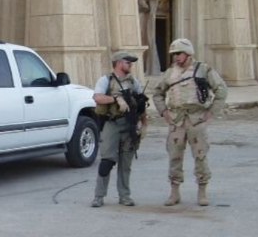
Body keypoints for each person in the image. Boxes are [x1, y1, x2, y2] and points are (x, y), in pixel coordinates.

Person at [151, 38, 228, 206]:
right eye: (173, 54)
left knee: (200, 155)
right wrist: (164, 111)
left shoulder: (203, 69)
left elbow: (221, 89)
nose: (176, 57)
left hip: (196, 119)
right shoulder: (170, 73)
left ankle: (202, 191)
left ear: (188, 53)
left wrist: (211, 111)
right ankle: (174, 192)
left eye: (179, 53)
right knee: (174, 156)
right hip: (177, 120)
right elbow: (157, 92)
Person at [91, 51, 147, 208]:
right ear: (118, 63)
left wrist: (144, 125)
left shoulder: (133, 82)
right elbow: (97, 97)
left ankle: (124, 195)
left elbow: (141, 104)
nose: (130, 65)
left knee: (126, 163)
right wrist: (116, 98)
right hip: (112, 123)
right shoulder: (106, 80)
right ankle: (99, 196)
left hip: (129, 125)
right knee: (106, 162)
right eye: (127, 62)